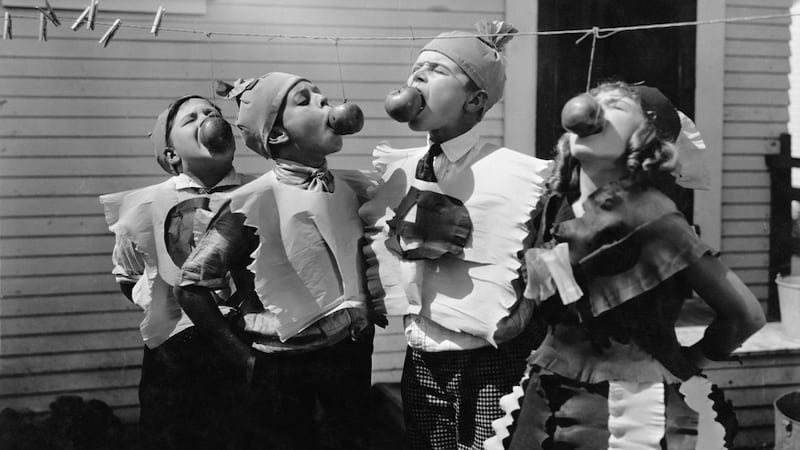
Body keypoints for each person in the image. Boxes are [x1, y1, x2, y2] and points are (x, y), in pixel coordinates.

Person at [486, 81, 767, 449]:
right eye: (593, 101)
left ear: (646, 137)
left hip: (626, 409)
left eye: (615, 105)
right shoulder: (554, 207)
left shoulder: (655, 215)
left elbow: (745, 315)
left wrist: (685, 361)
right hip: (547, 396)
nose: (591, 109)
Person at [359, 20, 553, 449]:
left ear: (475, 100)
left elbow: (535, 263)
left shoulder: (519, 176)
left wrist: (518, 320)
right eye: (415, 69)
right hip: (421, 355)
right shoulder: (399, 170)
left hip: (489, 359)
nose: (416, 79)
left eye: (435, 69)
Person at [174, 72, 378, 450]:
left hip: (350, 353)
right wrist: (244, 360)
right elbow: (191, 287)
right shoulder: (253, 201)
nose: (324, 103)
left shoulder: (353, 187)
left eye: (322, 95)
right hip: (287, 367)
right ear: (278, 134)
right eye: (305, 100)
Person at [99, 95, 249, 450]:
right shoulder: (143, 206)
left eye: (213, 114)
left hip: (250, 339)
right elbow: (128, 274)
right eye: (191, 118)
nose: (209, 119)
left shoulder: (260, 192)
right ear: (171, 154)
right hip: (177, 352)